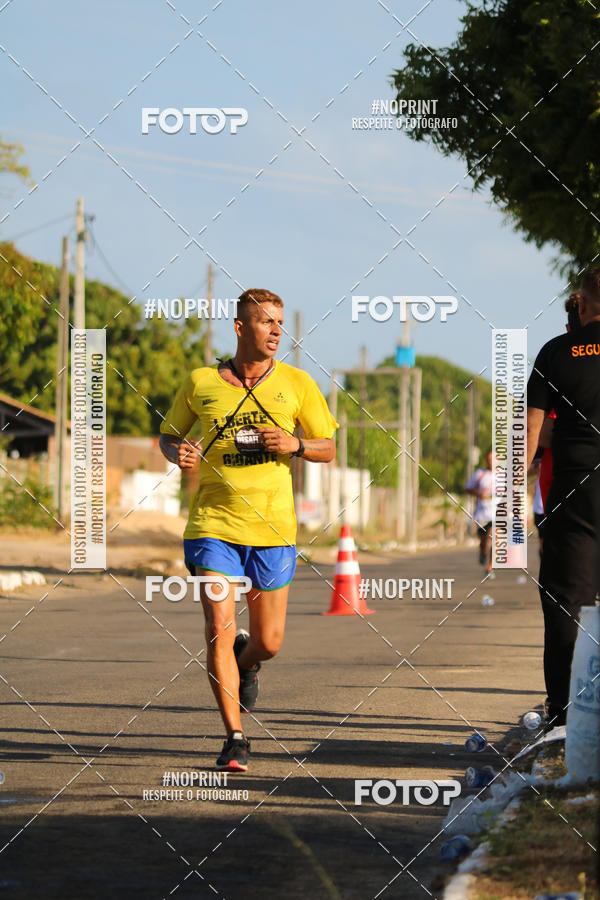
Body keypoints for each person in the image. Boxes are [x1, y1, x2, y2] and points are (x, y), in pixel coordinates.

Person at [159, 289, 337, 771]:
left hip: (273, 530)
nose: (277, 331)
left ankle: (249, 661)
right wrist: (178, 452)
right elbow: (169, 436)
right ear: (240, 327)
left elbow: (327, 446)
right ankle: (235, 738)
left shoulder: (297, 383)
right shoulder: (201, 382)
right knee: (218, 628)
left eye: (280, 322)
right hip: (212, 526)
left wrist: (296, 445)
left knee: (269, 641)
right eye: (266, 322)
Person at [527, 272, 600, 729]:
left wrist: (509, 501)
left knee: (565, 603)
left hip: (575, 489)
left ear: (583, 304)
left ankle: (565, 718)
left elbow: (529, 434)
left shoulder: (555, 352)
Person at [465, 451, 494, 575]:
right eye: (489, 459)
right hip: (482, 514)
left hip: (498, 513)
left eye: (493, 459)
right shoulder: (480, 474)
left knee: (495, 538)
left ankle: (490, 567)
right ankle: (483, 551)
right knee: (484, 541)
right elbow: (467, 489)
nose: (491, 462)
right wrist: (479, 494)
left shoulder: (504, 475)